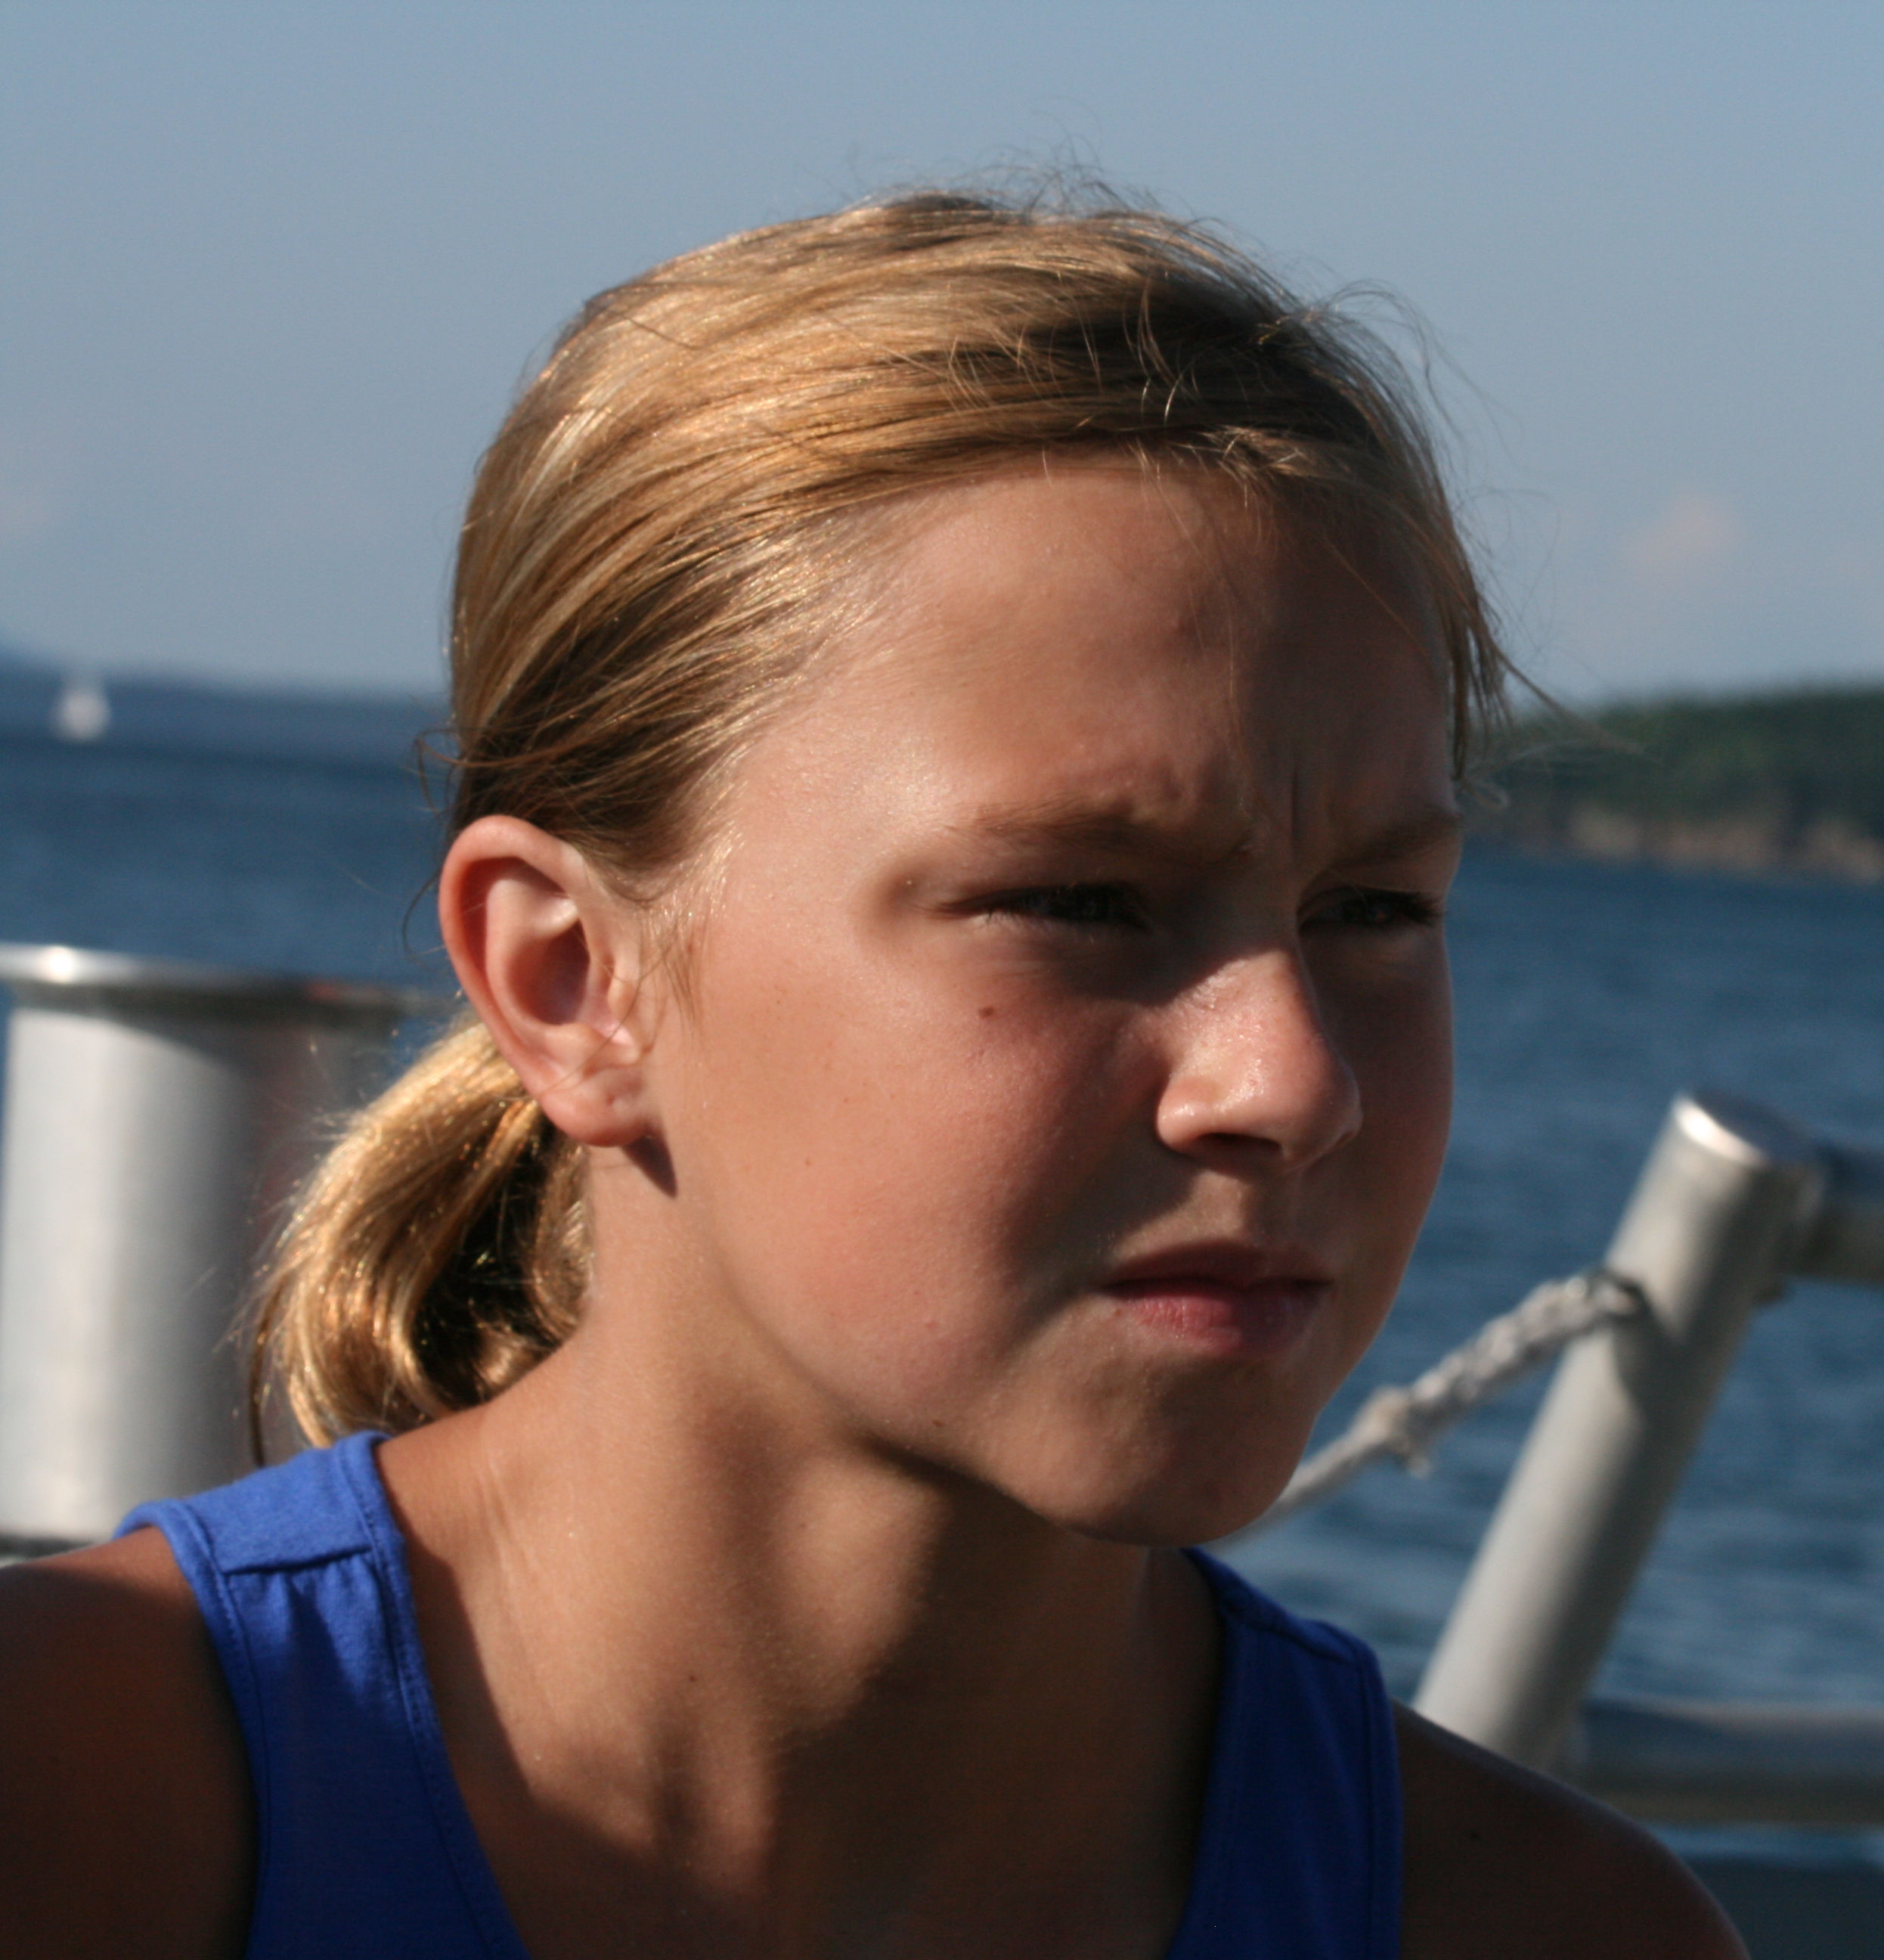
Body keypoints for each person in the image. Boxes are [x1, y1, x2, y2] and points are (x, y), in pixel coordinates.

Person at [0, 188, 1745, 1960]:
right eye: (1078, 902)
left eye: (1375, 910)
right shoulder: (78, 1814)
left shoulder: (1545, 1932)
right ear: (572, 981)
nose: (1292, 1081)